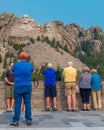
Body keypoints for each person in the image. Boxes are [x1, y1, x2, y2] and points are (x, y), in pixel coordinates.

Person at [9, 52, 35, 126]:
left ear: (19, 57)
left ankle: (16, 120)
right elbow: (33, 71)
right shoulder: (29, 65)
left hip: (18, 85)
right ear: (26, 57)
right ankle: (28, 119)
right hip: (27, 85)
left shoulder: (16, 64)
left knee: (17, 104)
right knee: (27, 103)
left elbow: (11, 71)